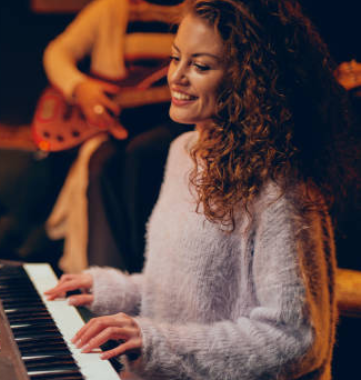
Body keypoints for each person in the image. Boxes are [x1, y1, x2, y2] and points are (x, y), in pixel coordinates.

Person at [45, 0, 355, 378]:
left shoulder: (279, 186)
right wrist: (108, 289)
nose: (176, 76)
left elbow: (295, 340)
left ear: (249, 79)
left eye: (201, 66)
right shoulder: (184, 152)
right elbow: (187, 293)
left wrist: (154, 341)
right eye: (176, 58)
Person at [43, 0, 187, 274]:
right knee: (100, 163)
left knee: (143, 155)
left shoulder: (201, 10)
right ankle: (103, 280)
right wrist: (80, 87)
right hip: (118, 124)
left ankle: (141, 276)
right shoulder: (111, 8)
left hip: (174, 126)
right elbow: (57, 52)